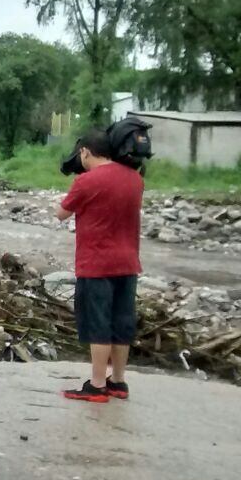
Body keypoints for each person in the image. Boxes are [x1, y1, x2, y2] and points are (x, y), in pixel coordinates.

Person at [56, 129, 144, 403]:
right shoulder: (135, 179)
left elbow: (61, 214)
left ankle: (96, 385)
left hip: (96, 264)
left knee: (98, 324)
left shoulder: (86, 181)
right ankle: (118, 381)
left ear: (85, 152)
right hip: (128, 262)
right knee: (122, 323)